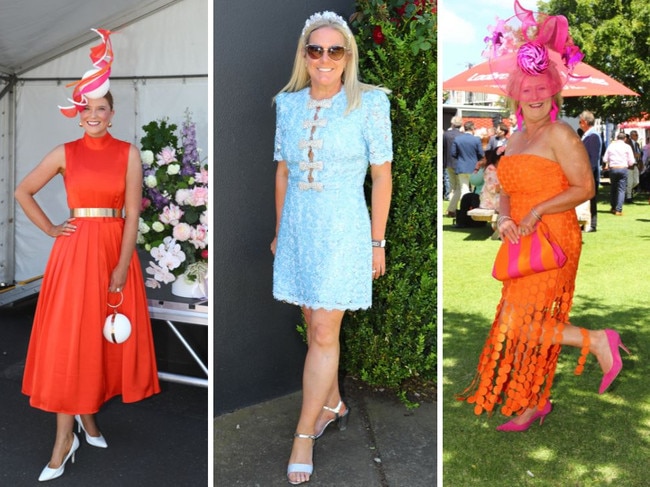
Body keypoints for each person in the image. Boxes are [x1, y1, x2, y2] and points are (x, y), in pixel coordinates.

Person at [458, 1, 629, 431]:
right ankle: (534, 400)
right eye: (526, 89)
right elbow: (510, 190)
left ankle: (595, 341)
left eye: (541, 89)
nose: (533, 96)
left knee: (524, 322)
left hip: (555, 237)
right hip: (523, 237)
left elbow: (584, 189)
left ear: (552, 91)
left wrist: (536, 210)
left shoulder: (559, 133)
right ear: (516, 93)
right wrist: (506, 217)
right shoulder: (514, 139)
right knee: (524, 322)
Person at [14, 31, 160, 482]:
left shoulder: (128, 153)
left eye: (101, 108)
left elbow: (133, 213)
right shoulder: (64, 152)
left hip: (113, 253)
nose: (93, 115)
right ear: (78, 114)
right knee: (69, 342)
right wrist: (52, 228)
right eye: (87, 109)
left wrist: (120, 264)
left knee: (99, 339)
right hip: (73, 254)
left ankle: (88, 416)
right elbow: (23, 191)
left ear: (111, 113)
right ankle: (65, 437)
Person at [270, 11, 392, 485]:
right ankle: (334, 402)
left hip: (344, 227)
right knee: (312, 322)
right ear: (304, 55)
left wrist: (376, 240)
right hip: (300, 228)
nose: (325, 58)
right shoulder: (287, 104)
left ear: (348, 57)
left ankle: (304, 434)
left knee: (323, 331)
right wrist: (281, 230)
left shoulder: (370, 104)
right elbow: (282, 171)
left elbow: (381, 176)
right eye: (316, 49)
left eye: (335, 50)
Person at [449, 121, 484, 216]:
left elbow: (453, 153)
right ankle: (473, 208)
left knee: (463, 189)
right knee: (474, 190)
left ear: (464, 129)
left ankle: (463, 209)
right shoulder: (476, 139)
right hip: (474, 167)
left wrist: (461, 159)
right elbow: (481, 154)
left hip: (461, 166)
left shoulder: (457, 139)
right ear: (472, 129)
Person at [578, 110, 602, 231]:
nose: (579, 124)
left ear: (585, 122)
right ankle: (585, 222)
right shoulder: (588, 135)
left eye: (580, 121)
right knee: (585, 198)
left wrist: (588, 174)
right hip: (585, 172)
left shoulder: (593, 136)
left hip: (590, 174)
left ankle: (592, 224)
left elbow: (593, 158)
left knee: (591, 199)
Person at [603, 132, 634, 215]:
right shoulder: (627, 147)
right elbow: (631, 161)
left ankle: (613, 207)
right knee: (621, 189)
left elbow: (605, 159)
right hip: (623, 168)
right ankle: (618, 209)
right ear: (625, 139)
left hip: (613, 168)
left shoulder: (611, 146)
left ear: (617, 138)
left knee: (613, 188)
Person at [443, 115, 463, 205]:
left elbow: (443, 148)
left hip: (448, 162)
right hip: (459, 163)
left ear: (452, 124)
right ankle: (453, 206)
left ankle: (451, 205)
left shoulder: (446, 134)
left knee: (451, 185)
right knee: (459, 185)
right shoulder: (462, 135)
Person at [625, 130, 642, 201]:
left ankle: (626, 191)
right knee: (630, 181)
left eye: (637, 135)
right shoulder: (627, 143)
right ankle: (628, 197)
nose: (637, 136)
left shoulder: (637, 144)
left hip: (636, 164)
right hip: (629, 165)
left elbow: (639, 154)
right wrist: (634, 155)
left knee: (636, 181)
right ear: (631, 135)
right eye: (636, 135)